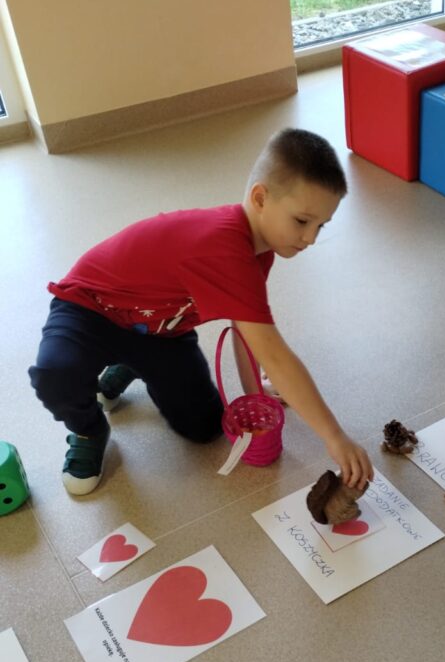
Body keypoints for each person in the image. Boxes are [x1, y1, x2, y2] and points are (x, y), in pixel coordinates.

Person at [29, 128, 373, 495]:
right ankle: (88, 429)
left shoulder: (261, 252)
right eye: (302, 221)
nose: (311, 238)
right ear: (260, 198)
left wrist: (255, 397)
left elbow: (246, 331)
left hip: (160, 332)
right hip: (90, 308)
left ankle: (130, 365)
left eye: (321, 225)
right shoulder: (224, 248)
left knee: (205, 427)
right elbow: (274, 354)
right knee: (55, 374)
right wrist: (334, 436)